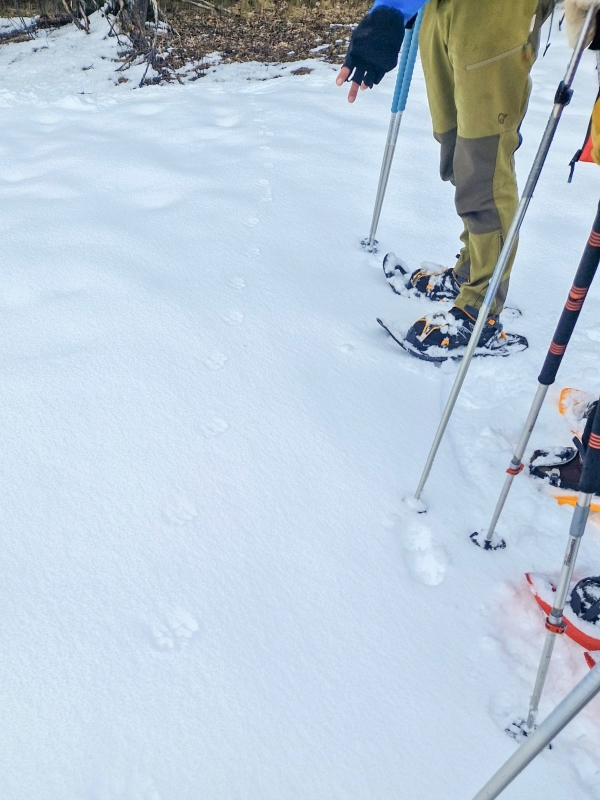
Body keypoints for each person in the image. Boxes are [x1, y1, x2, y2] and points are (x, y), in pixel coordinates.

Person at [337, 0, 555, 360]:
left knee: (483, 163)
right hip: (439, 10)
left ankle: (479, 311)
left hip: (494, 14)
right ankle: (470, 272)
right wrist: (392, 11)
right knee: (456, 147)